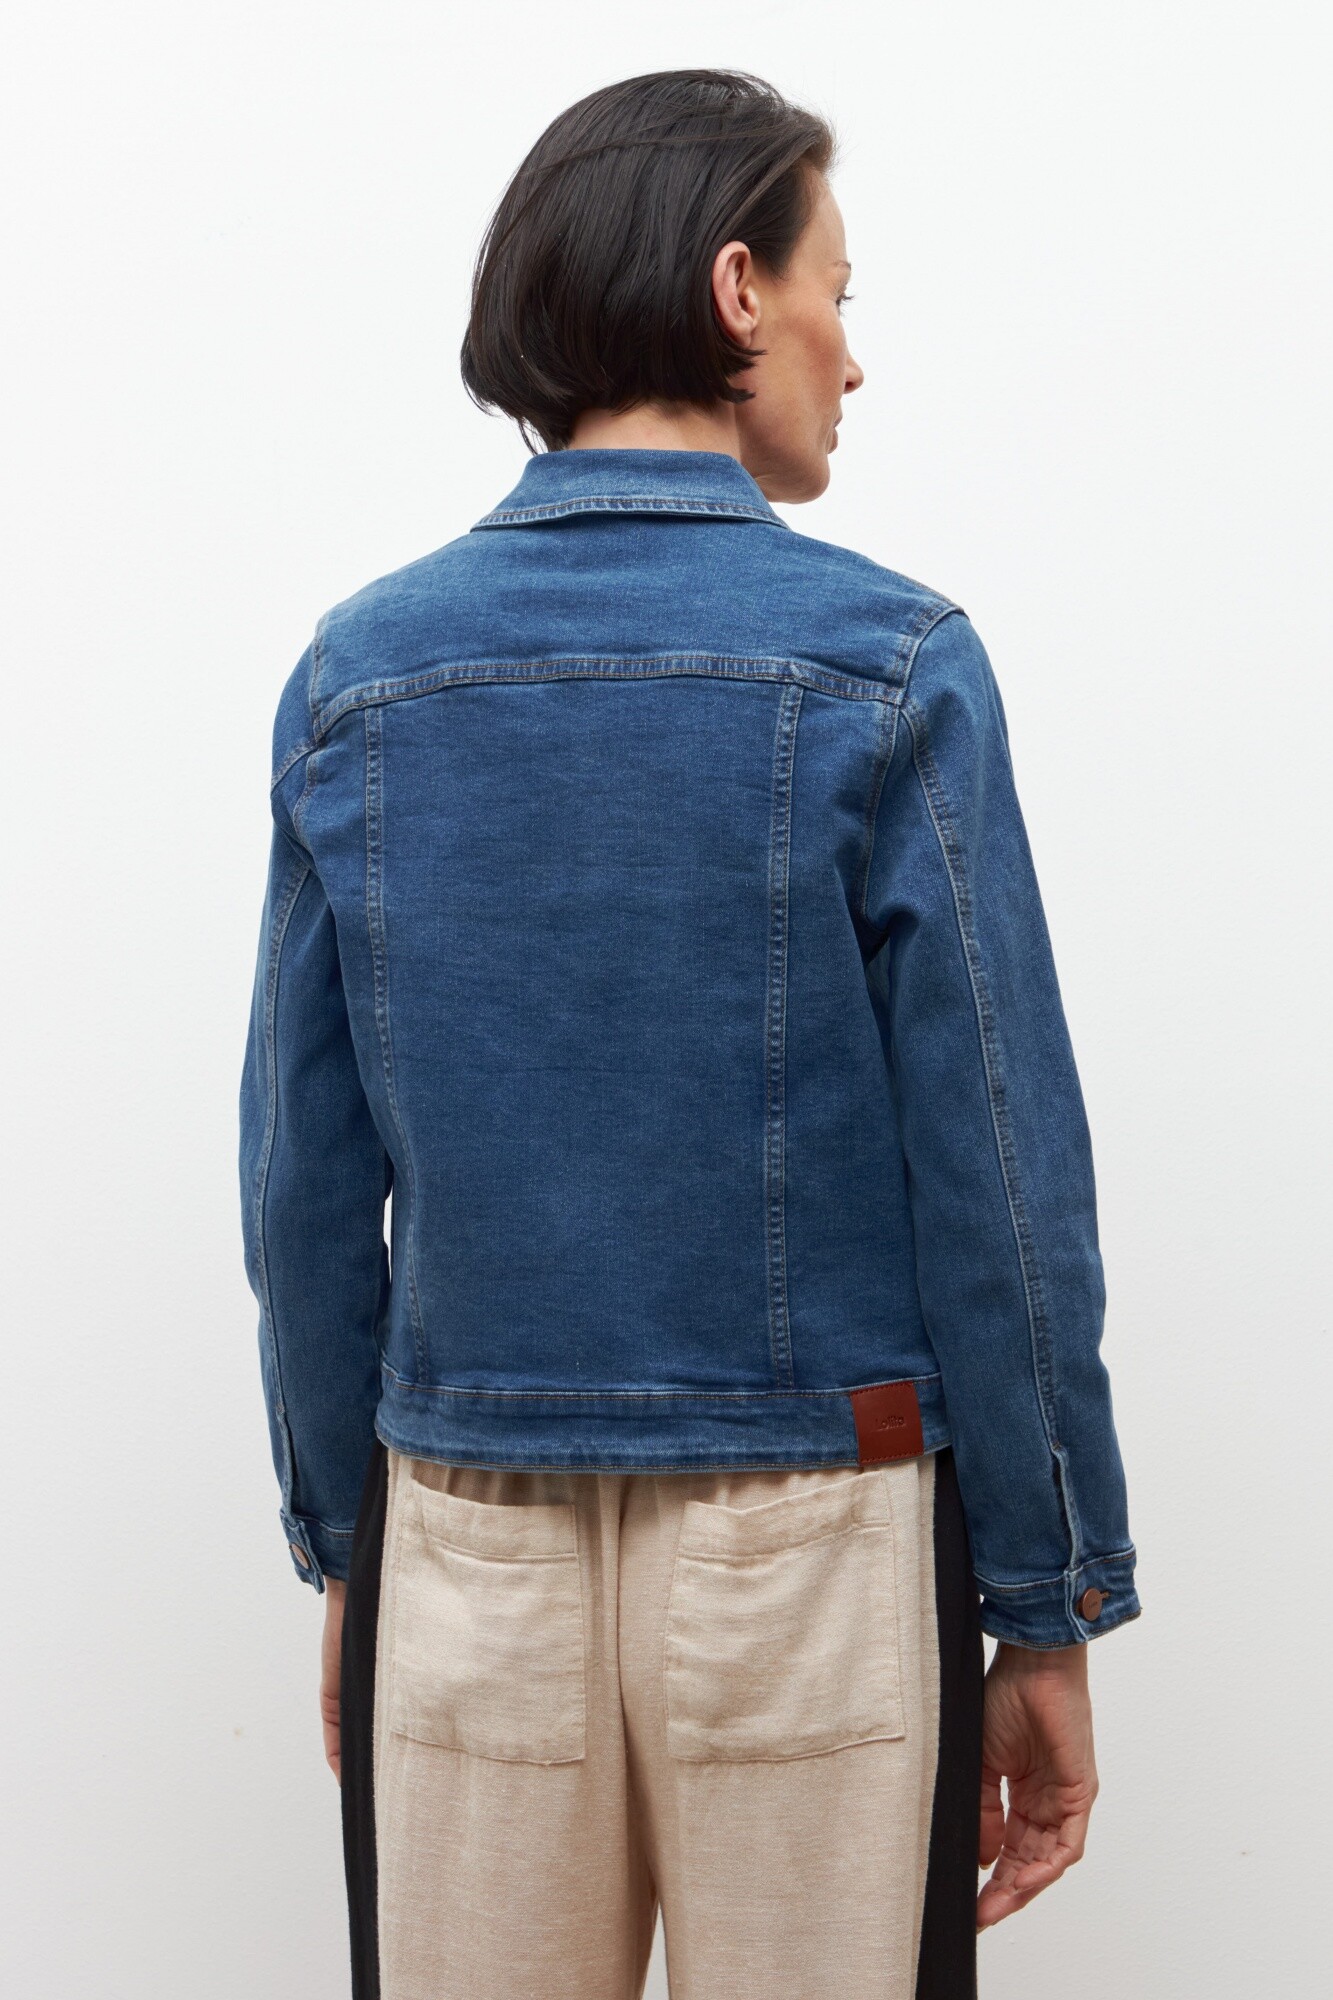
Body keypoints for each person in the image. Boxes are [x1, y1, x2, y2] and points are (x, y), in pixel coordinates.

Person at [239, 67, 1138, 2000]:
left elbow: (303, 1188)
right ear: (739, 289)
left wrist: (355, 1548)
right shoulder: (891, 666)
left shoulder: (355, 677)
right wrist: (1046, 1601)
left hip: (466, 1534)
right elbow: (998, 1173)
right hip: (817, 1540)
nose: (851, 355)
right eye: (837, 290)